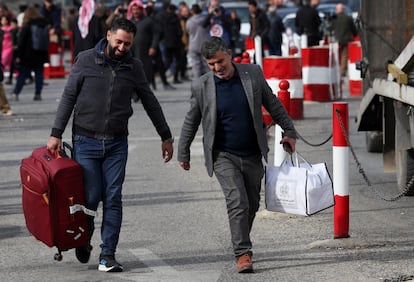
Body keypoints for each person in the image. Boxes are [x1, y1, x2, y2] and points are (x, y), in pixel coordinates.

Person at [46, 18, 174, 272]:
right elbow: (68, 97)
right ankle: (84, 239)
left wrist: (166, 136)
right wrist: (56, 133)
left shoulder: (133, 67)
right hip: (86, 141)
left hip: (117, 143)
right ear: (108, 35)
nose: (122, 47)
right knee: (91, 197)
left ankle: (108, 255)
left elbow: (149, 101)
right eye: (119, 42)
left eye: (127, 44)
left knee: (113, 197)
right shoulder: (85, 60)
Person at [177, 36, 297, 273]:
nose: (217, 68)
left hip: (252, 153)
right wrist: (184, 152)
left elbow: (273, 105)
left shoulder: (251, 74)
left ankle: (242, 240)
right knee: (238, 201)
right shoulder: (202, 86)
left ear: (229, 54)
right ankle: (242, 252)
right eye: (211, 64)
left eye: (220, 61)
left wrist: (290, 131)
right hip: (223, 155)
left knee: (251, 204)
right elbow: (192, 119)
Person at [11, 6, 49, 101]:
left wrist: (18, 55)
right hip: (40, 54)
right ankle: (38, 93)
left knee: (23, 74)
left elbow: (21, 42)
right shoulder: (43, 25)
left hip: (27, 55)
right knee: (39, 74)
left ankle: (16, 92)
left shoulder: (26, 26)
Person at [332, 3, 357, 78]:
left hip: (336, 40)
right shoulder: (348, 18)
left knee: (336, 56)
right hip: (346, 40)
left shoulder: (334, 18)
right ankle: (343, 71)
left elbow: (330, 28)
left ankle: (336, 70)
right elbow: (354, 29)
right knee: (344, 56)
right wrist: (355, 35)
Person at [186, 3, 209, 78]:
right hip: (204, 44)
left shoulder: (189, 21)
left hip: (193, 45)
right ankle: (209, 80)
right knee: (207, 65)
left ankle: (197, 82)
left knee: (196, 65)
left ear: (192, 11)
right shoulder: (205, 19)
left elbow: (188, 31)